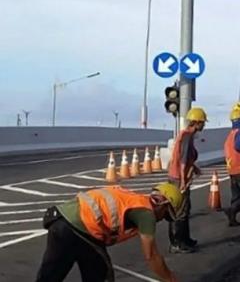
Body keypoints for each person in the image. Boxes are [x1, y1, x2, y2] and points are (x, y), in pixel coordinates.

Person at [35, 182, 182, 282]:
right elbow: (152, 256)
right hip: (82, 229)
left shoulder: (134, 199)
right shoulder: (146, 213)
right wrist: (170, 279)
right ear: (163, 205)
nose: (162, 219)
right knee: (101, 274)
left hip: (61, 220)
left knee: (50, 276)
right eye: (166, 215)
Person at [167, 106, 207, 253]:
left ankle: (185, 239)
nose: (204, 125)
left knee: (185, 208)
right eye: (202, 122)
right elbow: (182, 160)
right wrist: (183, 181)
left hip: (178, 175)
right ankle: (177, 243)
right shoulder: (186, 136)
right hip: (178, 177)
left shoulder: (188, 136)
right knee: (180, 211)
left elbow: (187, 159)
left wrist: (194, 168)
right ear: (196, 122)